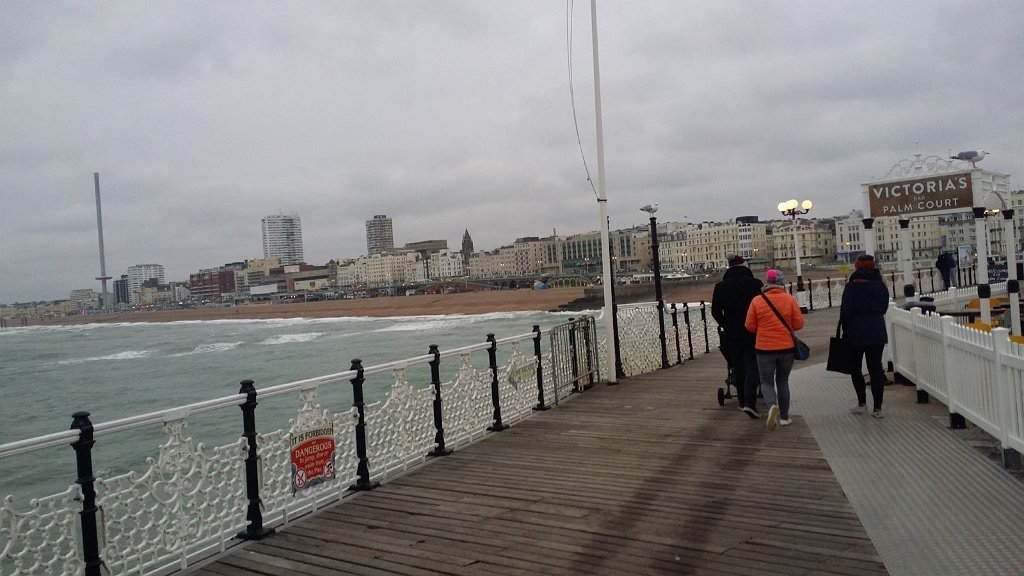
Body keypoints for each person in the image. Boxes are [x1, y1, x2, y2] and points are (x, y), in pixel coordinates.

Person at [744, 269, 804, 431]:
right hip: (786, 348)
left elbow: (749, 326)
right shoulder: (789, 300)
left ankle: (772, 406)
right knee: (783, 381)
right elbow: (798, 324)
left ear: (767, 283)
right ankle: (784, 417)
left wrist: (763, 329)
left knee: (766, 381)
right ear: (781, 282)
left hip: (764, 348)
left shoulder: (757, 301)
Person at [711, 253, 764, 418]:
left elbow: (715, 312)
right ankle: (751, 401)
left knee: (738, 366)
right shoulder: (756, 284)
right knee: (753, 365)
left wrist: (726, 324)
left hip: (732, 333)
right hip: (753, 331)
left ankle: (741, 400)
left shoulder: (720, 287)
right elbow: (762, 308)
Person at [840, 254, 890, 418]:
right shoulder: (880, 285)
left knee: (855, 368)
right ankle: (878, 409)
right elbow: (883, 308)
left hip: (855, 332)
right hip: (876, 331)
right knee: (875, 368)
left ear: (857, 267)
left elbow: (845, 311)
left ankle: (862, 403)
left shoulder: (852, 286)